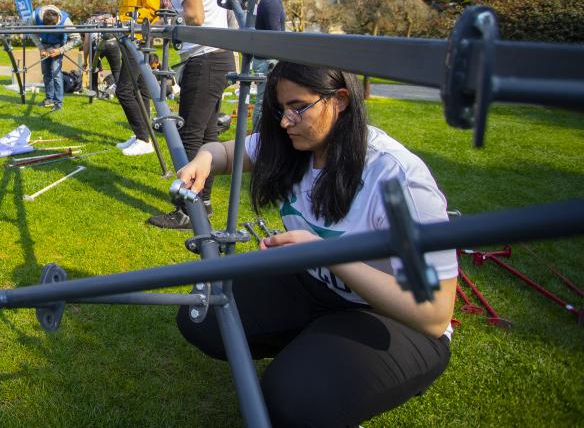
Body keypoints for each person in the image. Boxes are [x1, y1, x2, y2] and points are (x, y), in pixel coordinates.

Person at [175, 62, 457, 426]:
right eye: (280, 109)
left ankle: (332, 366)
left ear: (339, 100)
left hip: (391, 317)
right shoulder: (293, 143)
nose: (284, 121)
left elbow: (433, 314)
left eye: (298, 108)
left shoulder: (395, 178)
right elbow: (227, 153)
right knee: (203, 316)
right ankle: (314, 347)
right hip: (316, 283)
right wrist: (204, 159)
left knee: (293, 401)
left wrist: (325, 253)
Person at [143, 0, 233, 228]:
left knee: (191, 136)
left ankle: (187, 209)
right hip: (219, 58)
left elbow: (195, 14)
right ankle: (202, 204)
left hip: (205, 59)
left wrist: (171, 26)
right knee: (207, 136)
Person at [113, 0, 160, 157]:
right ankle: (143, 136)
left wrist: (127, 21)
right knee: (141, 90)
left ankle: (143, 138)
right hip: (130, 37)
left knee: (123, 90)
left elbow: (151, 8)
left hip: (138, 39)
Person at [251, 0, 304, 132]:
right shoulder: (271, 3)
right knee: (263, 103)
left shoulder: (273, 1)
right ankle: (258, 140)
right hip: (267, 62)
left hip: (269, 60)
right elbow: (276, 38)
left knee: (267, 102)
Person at [32, 4, 80, 112]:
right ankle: (49, 99)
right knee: (46, 73)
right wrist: (41, 48)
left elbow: (77, 39)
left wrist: (60, 50)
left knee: (56, 73)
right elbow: (31, 32)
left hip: (58, 44)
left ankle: (58, 103)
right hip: (44, 44)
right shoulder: (35, 17)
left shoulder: (66, 21)